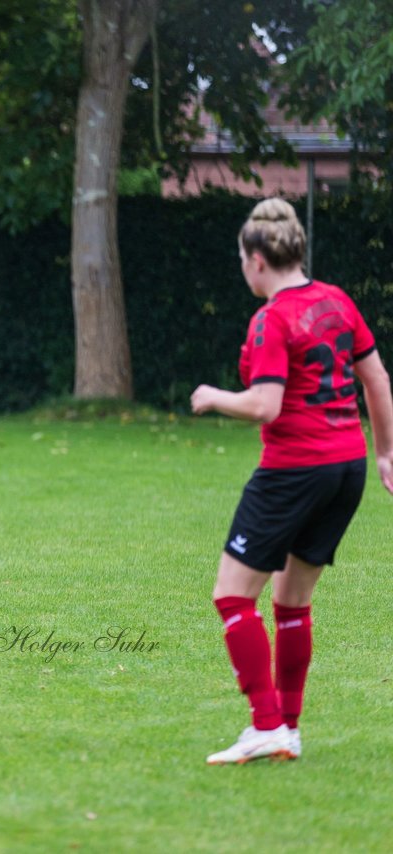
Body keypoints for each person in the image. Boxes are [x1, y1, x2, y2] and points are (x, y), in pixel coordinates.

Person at [191, 197, 393, 765]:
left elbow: (265, 406)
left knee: (232, 596)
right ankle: (289, 729)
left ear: (257, 260)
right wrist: (386, 455)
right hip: (345, 467)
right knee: (292, 603)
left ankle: (265, 725)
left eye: (240, 259)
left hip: (293, 471)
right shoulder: (336, 301)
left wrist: (212, 397)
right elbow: (376, 378)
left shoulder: (272, 319)